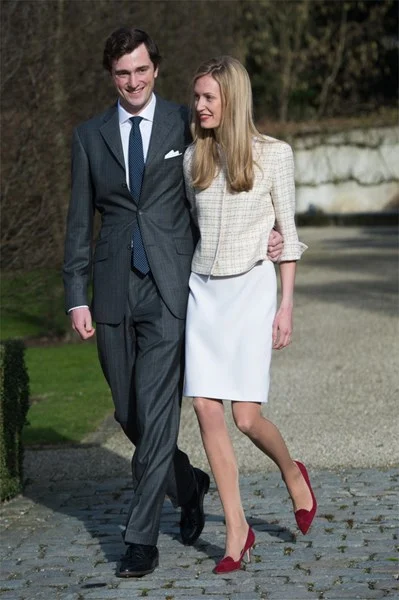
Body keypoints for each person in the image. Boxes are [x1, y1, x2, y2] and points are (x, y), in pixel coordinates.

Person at [63, 29, 284, 578]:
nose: (132, 81)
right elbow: (77, 224)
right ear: (110, 76)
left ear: (155, 70)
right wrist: (76, 296)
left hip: (171, 287)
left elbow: (240, 177)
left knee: (158, 412)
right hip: (113, 288)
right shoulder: (89, 137)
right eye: (121, 73)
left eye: (140, 70)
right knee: (129, 414)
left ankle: (140, 539)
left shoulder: (187, 121)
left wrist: (271, 235)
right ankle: (189, 485)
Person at [183, 56, 317, 574]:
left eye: (209, 97)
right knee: (204, 407)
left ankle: (291, 473)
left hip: (252, 291)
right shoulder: (192, 158)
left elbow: (289, 233)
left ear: (232, 100)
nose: (200, 105)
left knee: (245, 416)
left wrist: (286, 305)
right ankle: (237, 530)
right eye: (197, 97)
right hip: (203, 292)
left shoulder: (273, 155)